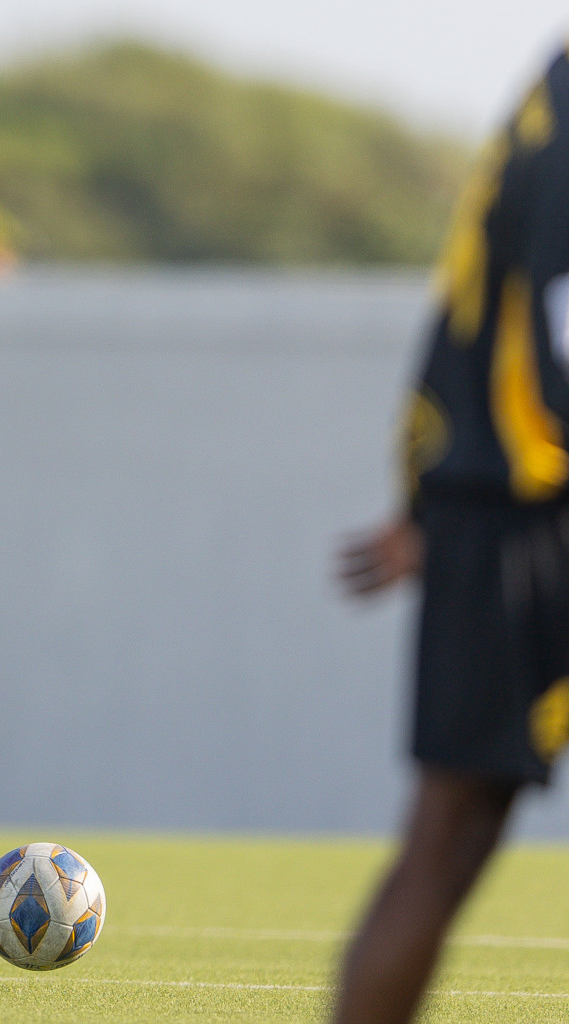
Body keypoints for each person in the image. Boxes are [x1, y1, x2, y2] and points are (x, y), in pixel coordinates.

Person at [332, 45, 569, 1024]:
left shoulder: (552, 92)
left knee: (447, 836)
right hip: (530, 497)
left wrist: (433, 506)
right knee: (448, 837)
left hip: (488, 501)